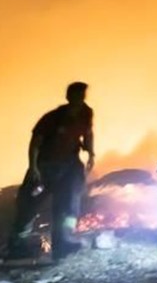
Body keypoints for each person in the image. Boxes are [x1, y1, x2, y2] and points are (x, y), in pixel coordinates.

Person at [6, 82, 94, 261]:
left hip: (70, 166)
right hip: (45, 167)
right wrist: (33, 168)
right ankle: (18, 246)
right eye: (77, 96)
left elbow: (88, 132)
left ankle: (64, 243)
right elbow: (35, 143)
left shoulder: (86, 113)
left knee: (68, 206)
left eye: (82, 96)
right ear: (69, 97)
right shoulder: (52, 118)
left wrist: (91, 152)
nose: (80, 100)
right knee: (28, 205)